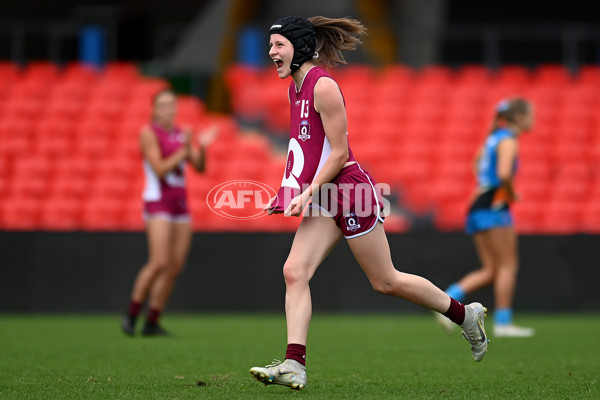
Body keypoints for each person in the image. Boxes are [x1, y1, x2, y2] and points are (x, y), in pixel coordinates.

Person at [249, 16, 489, 391]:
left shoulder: (322, 86)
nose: (271, 52)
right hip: (325, 191)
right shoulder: (295, 89)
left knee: (386, 281)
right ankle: (294, 364)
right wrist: (288, 192)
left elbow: (340, 151)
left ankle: (465, 315)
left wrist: (309, 191)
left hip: (349, 189)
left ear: (299, 47)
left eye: (279, 45)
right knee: (294, 271)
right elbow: (307, 149)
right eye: (271, 45)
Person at [121, 88, 218, 336]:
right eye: (163, 105)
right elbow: (160, 168)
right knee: (159, 262)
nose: (169, 110)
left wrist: (201, 147)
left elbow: (199, 167)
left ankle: (152, 320)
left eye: (172, 105)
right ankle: (132, 314)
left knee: (175, 265)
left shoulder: (179, 134)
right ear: (154, 109)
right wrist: (184, 149)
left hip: (180, 203)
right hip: (158, 202)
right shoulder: (148, 133)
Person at [435, 98, 535, 338]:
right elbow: (503, 173)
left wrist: (484, 185)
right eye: (531, 115)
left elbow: (476, 163)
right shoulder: (509, 140)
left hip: (478, 205)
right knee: (508, 265)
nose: (533, 120)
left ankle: (445, 301)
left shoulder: (493, 138)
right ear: (519, 117)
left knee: (491, 269)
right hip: (495, 207)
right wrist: (511, 193)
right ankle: (503, 323)